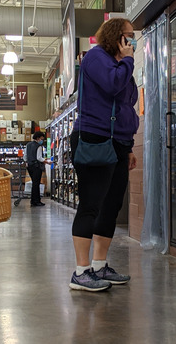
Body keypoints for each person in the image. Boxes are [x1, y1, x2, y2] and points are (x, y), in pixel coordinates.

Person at [69, 18, 139, 292]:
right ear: (116, 36)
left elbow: (125, 100)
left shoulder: (118, 62)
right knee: (91, 204)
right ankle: (81, 271)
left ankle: (99, 265)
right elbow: (112, 86)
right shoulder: (97, 57)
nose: (132, 40)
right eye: (129, 36)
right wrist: (128, 60)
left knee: (111, 206)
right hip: (95, 138)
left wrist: (129, 146)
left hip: (118, 142)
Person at [24, 131, 51, 207]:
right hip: (36, 166)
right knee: (36, 184)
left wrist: (27, 162)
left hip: (30, 166)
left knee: (34, 183)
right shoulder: (38, 146)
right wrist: (47, 162)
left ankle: (33, 201)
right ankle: (36, 201)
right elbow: (39, 158)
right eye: (42, 138)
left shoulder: (28, 145)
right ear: (38, 138)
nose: (42, 140)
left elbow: (25, 156)